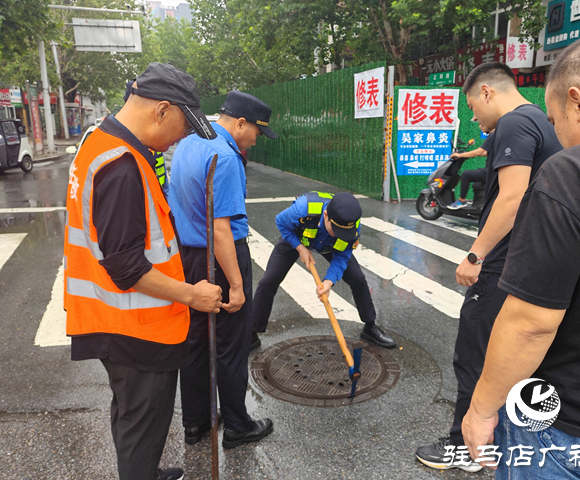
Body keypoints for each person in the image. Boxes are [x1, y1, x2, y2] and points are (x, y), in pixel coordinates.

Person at [463, 37, 580, 479]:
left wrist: (482, 409)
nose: (559, 135)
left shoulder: (575, 172)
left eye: (557, 120)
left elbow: (531, 322)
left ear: (578, 102)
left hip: (567, 425)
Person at [64, 62, 223, 480]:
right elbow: (127, 266)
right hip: (134, 325)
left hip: (114, 317)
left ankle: (144, 472)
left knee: (131, 413)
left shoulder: (100, 141)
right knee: (142, 426)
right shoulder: (121, 166)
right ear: (162, 110)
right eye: (184, 127)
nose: (183, 137)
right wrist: (193, 295)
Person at [415, 62, 563, 472]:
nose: (473, 118)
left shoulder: (514, 124)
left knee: (475, 353)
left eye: (471, 107)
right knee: (515, 353)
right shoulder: (539, 120)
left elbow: (512, 198)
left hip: (504, 261)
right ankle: (502, 439)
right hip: (535, 257)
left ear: (486, 92)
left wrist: (475, 255)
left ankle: (465, 449)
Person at [169, 91, 276, 448]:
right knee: (231, 345)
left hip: (189, 258)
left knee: (196, 342)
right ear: (240, 123)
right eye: (257, 133)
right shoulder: (226, 156)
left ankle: (195, 422)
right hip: (219, 258)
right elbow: (220, 229)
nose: (256, 141)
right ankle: (237, 426)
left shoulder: (187, 143)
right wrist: (236, 285)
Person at [252, 191, 397, 349]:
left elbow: (342, 257)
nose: (338, 234)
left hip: (329, 245)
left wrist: (329, 281)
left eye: (343, 232)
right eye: (335, 229)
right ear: (326, 215)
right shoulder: (304, 209)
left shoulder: (351, 225)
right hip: (297, 238)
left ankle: (370, 326)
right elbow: (281, 222)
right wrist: (300, 247)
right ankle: (251, 334)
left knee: (358, 279)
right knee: (268, 281)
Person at [448, 128, 493, 210]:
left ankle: (461, 200)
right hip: (493, 170)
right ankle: (478, 203)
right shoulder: (499, 135)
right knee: (477, 175)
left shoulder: (493, 135)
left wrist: (460, 155)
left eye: (481, 124)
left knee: (466, 175)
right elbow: (486, 153)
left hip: (491, 171)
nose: (479, 126)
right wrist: (468, 154)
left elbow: (479, 151)